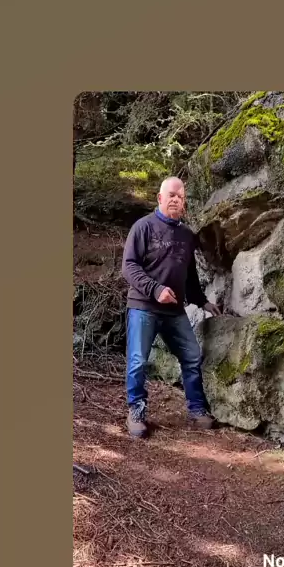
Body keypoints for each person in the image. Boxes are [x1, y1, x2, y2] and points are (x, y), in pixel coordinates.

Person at [121, 176, 221, 438]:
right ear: (160, 198)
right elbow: (129, 266)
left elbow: (189, 276)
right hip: (143, 306)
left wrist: (203, 302)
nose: (176, 200)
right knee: (138, 360)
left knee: (192, 356)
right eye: (171, 195)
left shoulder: (187, 236)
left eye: (180, 196)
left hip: (174, 311)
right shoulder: (143, 227)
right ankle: (136, 412)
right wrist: (155, 289)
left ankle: (197, 410)